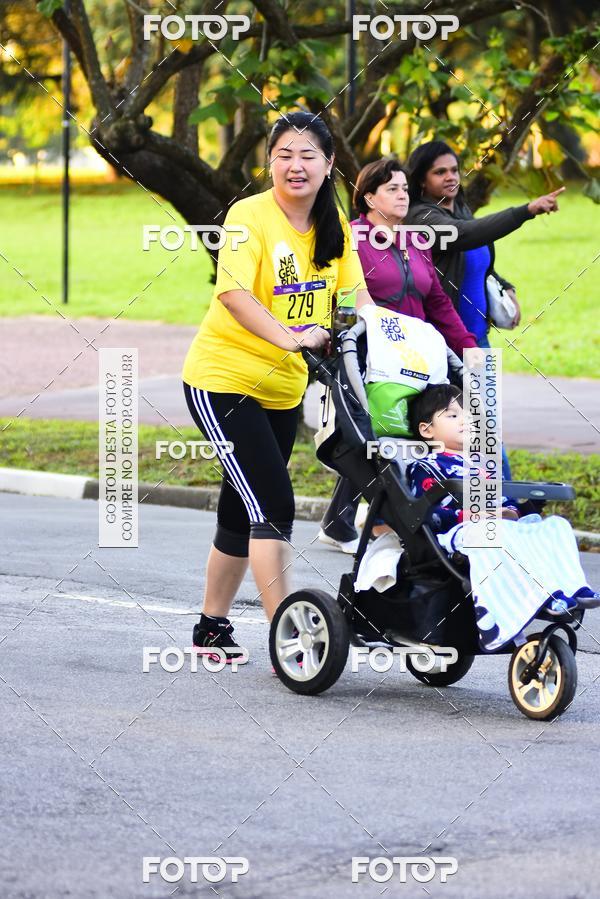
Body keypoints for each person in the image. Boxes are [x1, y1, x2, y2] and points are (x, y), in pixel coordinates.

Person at [182, 111, 377, 660]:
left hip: (282, 391)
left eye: (307, 155)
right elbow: (234, 294)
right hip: (222, 381)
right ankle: (287, 637)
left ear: (329, 164)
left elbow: (355, 299)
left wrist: (392, 335)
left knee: (238, 511)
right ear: (269, 163)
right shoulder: (249, 215)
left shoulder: (333, 228)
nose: (295, 166)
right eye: (284, 155)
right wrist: (291, 337)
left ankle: (210, 629)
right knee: (272, 504)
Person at [319, 157, 483, 553]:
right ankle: (369, 523)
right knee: (379, 431)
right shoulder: (352, 238)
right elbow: (339, 293)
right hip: (372, 356)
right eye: (392, 188)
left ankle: (345, 520)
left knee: (402, 432)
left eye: (405, 188)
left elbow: (438, 302)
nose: (402, 194)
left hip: (419, 357)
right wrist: (342, 343)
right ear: (369, 197)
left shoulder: (414, 240)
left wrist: (469, 348)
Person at [405, 140, 565, 480]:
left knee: (483, 430)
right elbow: (466, 236)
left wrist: (503, 284)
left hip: (478, 341)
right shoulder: (422, 218)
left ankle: (495, 505)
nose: (451, 177)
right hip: (447, 346)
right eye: (440, 172)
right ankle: (500, 504)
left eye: (454, 170)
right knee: (474, 432)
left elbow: (477, 259)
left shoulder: (458, 208)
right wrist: (525, 211)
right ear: (421, 180)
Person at [406, 384, 599, 640]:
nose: (464, 421)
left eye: (468, 415)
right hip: (458, 532)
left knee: (557, 525)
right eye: (453, 416)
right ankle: (545, 594)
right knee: (496, 531)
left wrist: (513, 510)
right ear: (427, 430)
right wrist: (478, 516)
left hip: (496, 525)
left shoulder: (481, 468)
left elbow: (505, 503)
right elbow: (431, 515)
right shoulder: (426, 467)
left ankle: (573, 588)